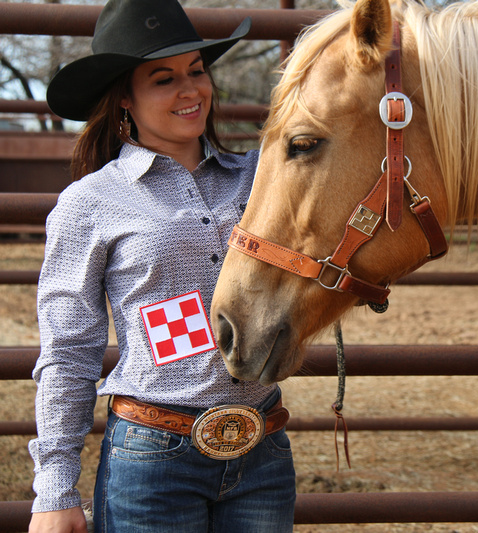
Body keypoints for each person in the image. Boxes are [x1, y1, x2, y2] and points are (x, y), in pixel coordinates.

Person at [28, 1, 296, 531]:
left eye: (197, 70)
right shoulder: (90, 203)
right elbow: (69, 348)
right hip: (152, 458)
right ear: (124, 97)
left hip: (261, 450)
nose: (190, 89)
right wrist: (55, 489)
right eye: (163, 78)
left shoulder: (262, 178)